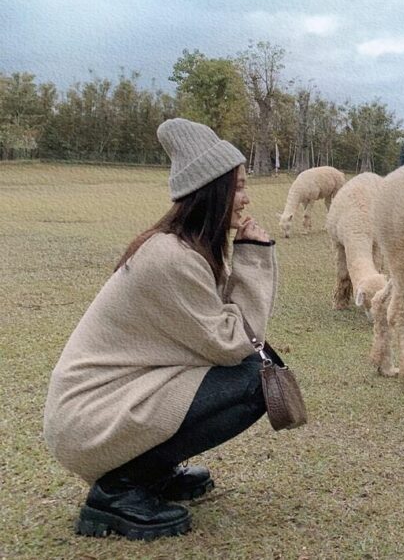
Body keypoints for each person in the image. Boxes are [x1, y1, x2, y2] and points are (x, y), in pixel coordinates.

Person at [43, 118, 279, 541]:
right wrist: (254, 257)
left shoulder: (185, 247)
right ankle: (118, 491)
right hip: (90, 419)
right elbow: (233, 344)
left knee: (261, 368)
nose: (246, 198)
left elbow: (226, 337)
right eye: (239, 186)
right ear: (214, 190)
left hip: (105, 407)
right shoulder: (172, 257)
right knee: (256, 380)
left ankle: (148, 474)